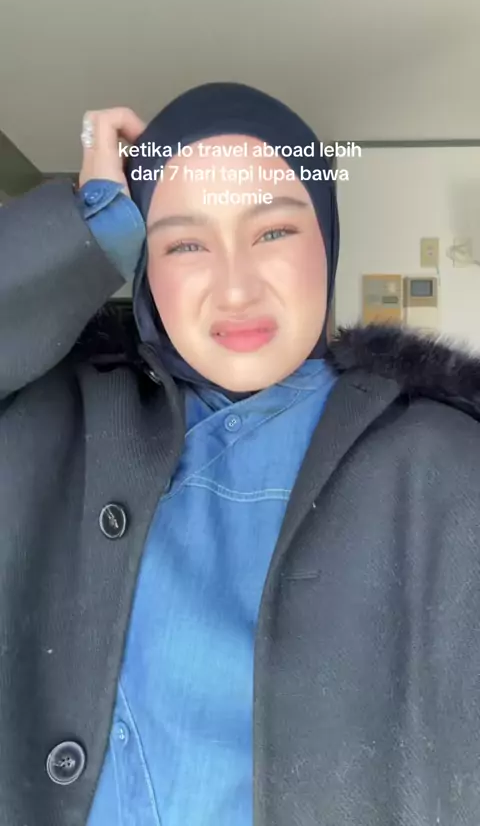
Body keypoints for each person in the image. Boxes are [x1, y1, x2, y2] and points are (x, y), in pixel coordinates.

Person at [1, 82, 480, 826]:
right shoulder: (52, 423)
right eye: (184, 243)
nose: (235, 288)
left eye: (274, 232)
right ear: (140, 262)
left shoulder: (443, 463)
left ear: (327, 238)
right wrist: (87, 224)